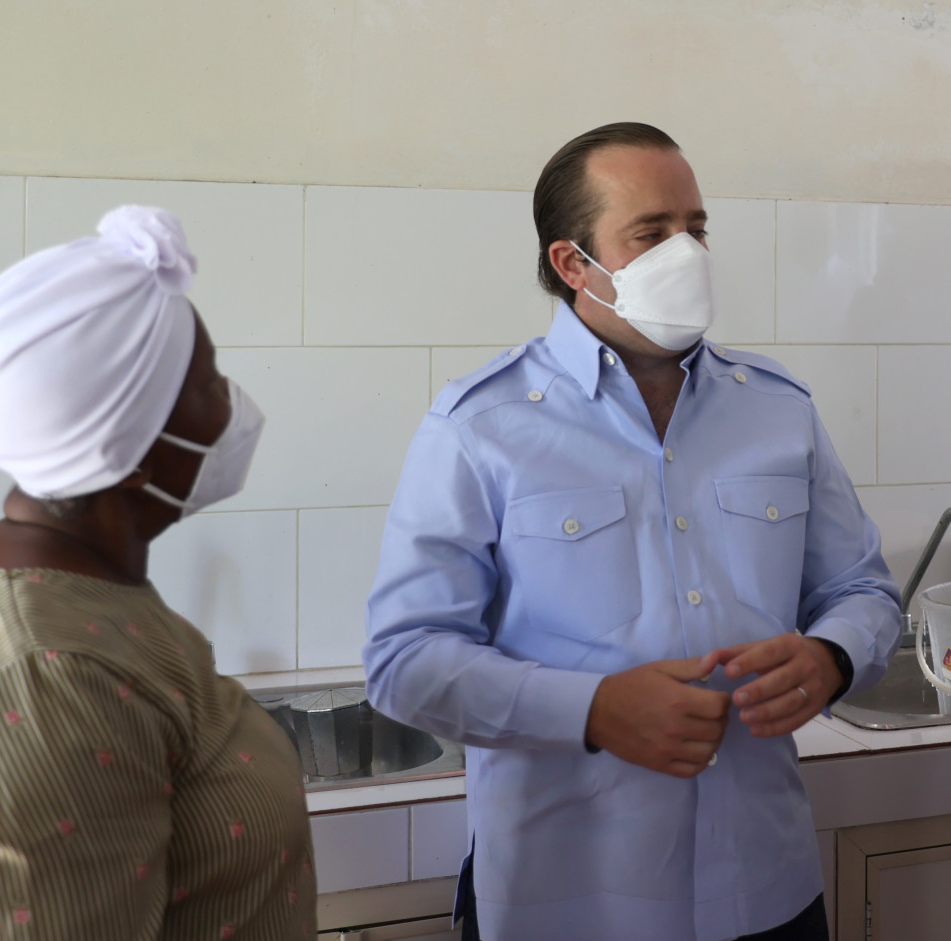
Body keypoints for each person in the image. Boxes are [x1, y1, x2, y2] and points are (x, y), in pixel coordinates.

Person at [363, 123, 902, 941]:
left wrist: (833, 655)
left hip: (766, 889)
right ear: (573, 263)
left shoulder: (776, 408)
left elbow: (862, 588)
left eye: (696, 228)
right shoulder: (481, 425)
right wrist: (594, 709)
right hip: (568, 903)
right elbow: (405, 659)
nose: (687, 253)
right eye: (652, 234)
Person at [0, 206, 315, 940]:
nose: (231, 404)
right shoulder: (46, 679)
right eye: (206, 383)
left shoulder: (78, 597)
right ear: (130, 452)